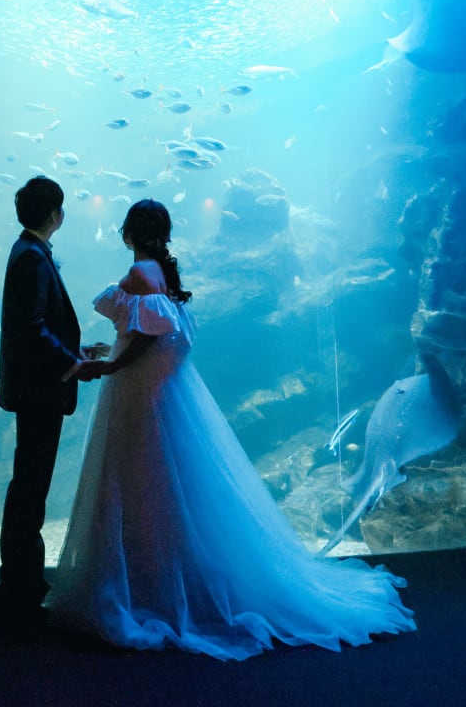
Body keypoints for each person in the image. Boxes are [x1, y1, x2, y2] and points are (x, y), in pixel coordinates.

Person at [48, 199, 416, 661]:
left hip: (137, 393)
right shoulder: (158, 272)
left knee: (140, 483)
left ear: (129, 232)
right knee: (160, 484)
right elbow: (156, 328)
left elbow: (148, 335)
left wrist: (110, 365)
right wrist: (115, 348)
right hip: (150, 389)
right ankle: (159, 578)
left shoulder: (143, 273)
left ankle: (146, 586)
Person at [0, 176, 103, 626]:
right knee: (30, 487)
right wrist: (71, 364)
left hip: (34, 387)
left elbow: (35, 327)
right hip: (40, 391)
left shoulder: (27, 252)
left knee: (28, 484)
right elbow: (33, 327)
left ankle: (21, 582)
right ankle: (20, 587)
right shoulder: (34, 259)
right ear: (54, 215)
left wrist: (73, 352)